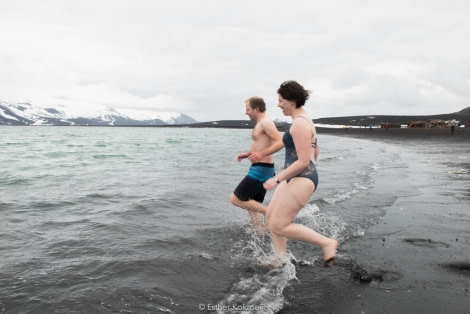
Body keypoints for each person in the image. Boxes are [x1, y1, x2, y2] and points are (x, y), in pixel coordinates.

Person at [263, 81, 339, 267]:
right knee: (271, 217)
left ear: (293, 100)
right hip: (297, 176)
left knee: (279, 225)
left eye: (281, 101)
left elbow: (304, 161)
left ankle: (327, 243)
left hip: (302, 177)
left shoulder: (300, 124)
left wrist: (276, 179)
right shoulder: (305, 120)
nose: (279, 105)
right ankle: (279, 259)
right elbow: (315, 150)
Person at [231, 96, 284, 231]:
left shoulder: (266, 123)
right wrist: (247, 154)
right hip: (262, 168)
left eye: (248, 109)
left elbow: (280, 142)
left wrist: (261, 154)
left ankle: (271, 214)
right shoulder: (260, 124)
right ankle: (259, 232)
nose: (246, 112)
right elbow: (259, 146)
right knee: (252, 205)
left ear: (257, 109)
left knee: (236, 199)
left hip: (262, 169)